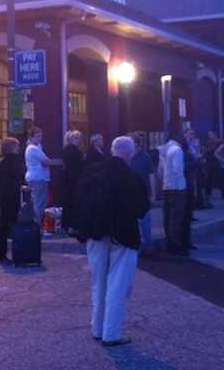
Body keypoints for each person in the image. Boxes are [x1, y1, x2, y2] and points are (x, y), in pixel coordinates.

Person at [78, 136, 150, 347]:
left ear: (112, 150)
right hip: (123, 235)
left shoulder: (92, 174)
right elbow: (141, 209)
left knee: (98, 282)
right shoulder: (133, 177)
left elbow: (81, 203)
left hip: (95, 233)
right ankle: (112, 332)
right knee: (118, 284)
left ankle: (97, 328)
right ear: (129, 153)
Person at [0, 138, 26, 263]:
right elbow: (19, 175)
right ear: (12, 148)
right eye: (17, 146)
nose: (19, 148)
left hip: (4, 195)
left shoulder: (2, 162)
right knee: (14, 224)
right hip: (12, 196)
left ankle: (1, 254)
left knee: (4, 225)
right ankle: (18, 253)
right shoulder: (15, 161)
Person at [159, 132, 188, 256]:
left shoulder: (164, 150)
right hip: (177, 188)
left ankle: (169, 242)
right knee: (176, 217)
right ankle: (176, 245)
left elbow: (160, 170)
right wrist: (183, 185)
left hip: (167, 187)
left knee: (168, 217)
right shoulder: (177, 150)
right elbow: (178, 170)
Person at [129, 132, 155, 254]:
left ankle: (148, 246)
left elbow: (151, 176)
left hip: (143, 193)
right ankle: (138, 246)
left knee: (145, 220)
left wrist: (153, 194)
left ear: (136, 144)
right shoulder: (127, 157)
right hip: (130, 193)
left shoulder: (146, 157)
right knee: (134, 221)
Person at [25, 127, 53, 225]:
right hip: (38, 178)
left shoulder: (35, 147)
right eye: (37, 136)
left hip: (34, 177)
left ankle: (35, 224)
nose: (40, 138)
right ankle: (36, 226)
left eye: (41, 136)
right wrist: (49, 162)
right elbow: (46, 161)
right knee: (40, 203)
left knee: (36, 202)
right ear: (31, 137)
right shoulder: (33, 148)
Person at [62, 130, 85, 233]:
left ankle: (68, 225)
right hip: (73, 178)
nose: (79, 140)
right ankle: (71, 225)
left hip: (70, 178)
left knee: (69, 201)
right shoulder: (72, 149)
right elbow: (76, 163)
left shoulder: (69, 148)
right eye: (77, 138)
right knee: (72, 201)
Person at [203, 131, 221, 197]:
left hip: (216, 160)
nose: (209, 135)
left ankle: (222, 192)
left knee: (218, 176)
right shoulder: (208, 142)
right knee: (209, 177)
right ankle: (208, 192)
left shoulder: (218, 141)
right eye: (208, 134)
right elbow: (205, 150)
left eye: (211, 134)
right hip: (209, 160)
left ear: (214, 134)